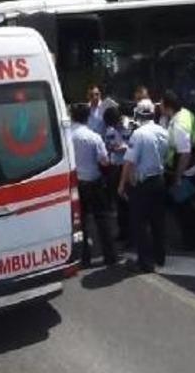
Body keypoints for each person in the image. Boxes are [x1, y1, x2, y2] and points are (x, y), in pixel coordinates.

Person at [118, 99, 169, 273]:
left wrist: (122, 184)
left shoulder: (138, 134)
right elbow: (166, 155)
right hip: (159, 180)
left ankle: (145, 263)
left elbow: (129, 162)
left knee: (140, 223)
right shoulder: (163, 132)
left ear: (138, 115)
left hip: (143, 184)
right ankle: (160, 257)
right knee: (158, 222)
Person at [71, 103, 119, 267]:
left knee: (80, 222)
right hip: (94, 182)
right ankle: (110, 256)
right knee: (102, 220)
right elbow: (104, 161)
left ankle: (83, 258)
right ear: (88, 118)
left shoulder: (66, 137)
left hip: (75, 184)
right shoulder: (93, 137)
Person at [161, 90, 195, 251]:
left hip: (184, 171)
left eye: (161, 104)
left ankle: (192, 241)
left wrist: (178, 177)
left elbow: (184, 154)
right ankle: (193, 239)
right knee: (186, 206)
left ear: (168, 106)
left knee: (184, 208)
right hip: (190, 168)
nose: (160, 107)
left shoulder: (179, 125)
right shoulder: (185, 113)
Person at [103, 106, 130, 244]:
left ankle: (129, 233)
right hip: (118, 167)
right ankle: (124, 232)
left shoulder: (126, 126)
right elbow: (110, 145)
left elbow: (131, 143)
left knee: (126, 202)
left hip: (124, 166)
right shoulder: (111, 130)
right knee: (120, 202)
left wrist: (122, 147)